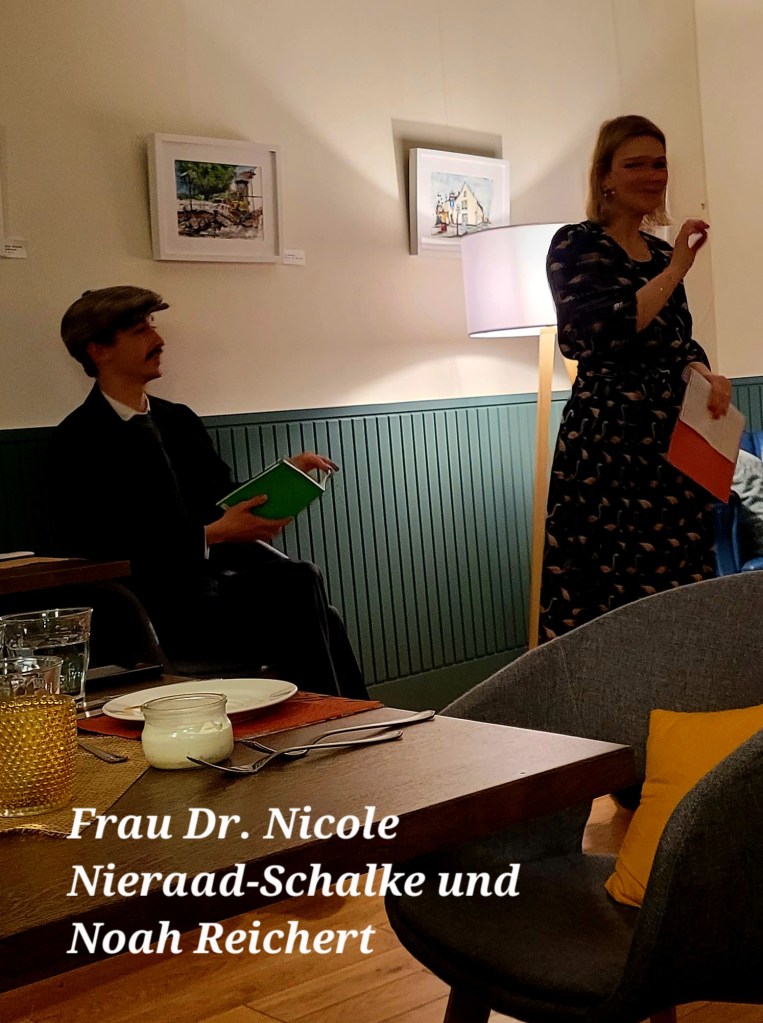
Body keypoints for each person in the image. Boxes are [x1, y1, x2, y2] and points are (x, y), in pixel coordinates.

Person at [47, 286, 368, 698]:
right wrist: (209, 535)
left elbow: (221, 499)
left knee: (307, 591)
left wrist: (282, 480)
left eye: (152, 326)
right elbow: (92, 546)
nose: (159, 339)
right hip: (152, 609)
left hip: (219, 590)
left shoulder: (178, 420)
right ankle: (340, 717)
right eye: (140, 331)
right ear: (99, 350)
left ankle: (350, 718)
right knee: (304, 596)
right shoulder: (75, 442)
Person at [539, 114, 732, 642]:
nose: (653, 175)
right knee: (603, 590)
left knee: (677, 588)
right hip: (607, 443)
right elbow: (596, 333)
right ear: (605, 175)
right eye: (635, 164)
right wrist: (676, 271)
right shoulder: (576, 244)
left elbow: (677, 343)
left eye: (659, 164)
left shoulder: (663, 252)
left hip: (671, 445)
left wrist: (705, 374)